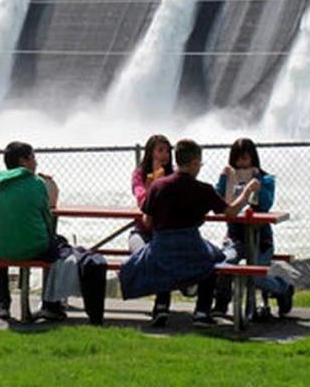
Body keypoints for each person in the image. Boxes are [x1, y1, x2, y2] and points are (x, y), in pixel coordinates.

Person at [119, 138, 259, 327]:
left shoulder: (157, 187)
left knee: (165, 262)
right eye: (199, 164)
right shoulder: (204, 189)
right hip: (191, 248)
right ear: (194, 163)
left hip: (161, 250)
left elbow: (148, 222)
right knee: (214, 261)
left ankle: (161, 307)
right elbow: (231, 212)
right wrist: (247, 191)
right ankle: (202, 311)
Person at [0, 141, 106, 324]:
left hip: (2, 249)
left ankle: (1, 302)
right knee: (58, 246)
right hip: (33, 248)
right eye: (33, 157)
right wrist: (49, 185)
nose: (36, 162)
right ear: (23, 161)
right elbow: (48, 217)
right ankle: (51, 305)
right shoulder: (36, 183)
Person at [212, 137, 294, 318]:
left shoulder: (266, 179)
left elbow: (265, 205)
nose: (241, 164)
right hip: (235, 238)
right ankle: (221, 303)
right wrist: (225, 179)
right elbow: (218, 204)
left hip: (261, 240)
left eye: (245, 159)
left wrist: (257, 183)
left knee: (256, 276)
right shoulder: (228, 177)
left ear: (253, 159)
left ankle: (283, 288)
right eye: (237, 160)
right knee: (224, 264)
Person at [128, 134, 174, 327]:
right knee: (143, 254)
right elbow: (143, 201)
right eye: (160, 150)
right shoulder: (140, 174)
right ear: (150, 153)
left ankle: (162, 305)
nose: (164, 155)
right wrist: (154, 184)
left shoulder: (175, 175)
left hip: (166, 231)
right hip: (142, 230)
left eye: (167, 151)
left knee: (163, 255)